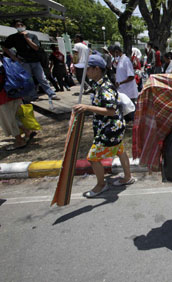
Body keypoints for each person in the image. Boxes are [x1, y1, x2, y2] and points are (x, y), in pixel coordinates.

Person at [72, 54, 135, 198]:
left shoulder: (104, 87)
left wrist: (87, 108)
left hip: (109, 128)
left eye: (88, 69)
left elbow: (111, 111)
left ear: (96, 69)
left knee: (93, 158)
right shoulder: (100, 84)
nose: (86, 72)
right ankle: (128, 177)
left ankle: (101, 185)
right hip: (114, 126)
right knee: (120, 150)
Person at [1, 19, 59, 101]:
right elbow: (4, 46)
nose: (20, 27)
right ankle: (33, 96)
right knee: (28, 79)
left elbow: (36, 47)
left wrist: (27, 39)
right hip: (24, 61)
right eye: (17, 25)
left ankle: (51, 94)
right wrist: (13, 57)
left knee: (42, 78)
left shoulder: (32, 36)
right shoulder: (13, 37)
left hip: (35, 60)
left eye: (21, 25)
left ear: (24, 26)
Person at [0, 64, 36, 151]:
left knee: (9, 120)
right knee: (16, 117)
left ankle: (19, 141)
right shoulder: (3, 60)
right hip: (14, 91)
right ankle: (27, 131)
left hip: (3, 96)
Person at [112, 45, 138, 123]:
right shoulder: (120, 60)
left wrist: (120, 83)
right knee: (126, 110)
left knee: (131, 110)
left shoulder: (126, 61)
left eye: (113, 54)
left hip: (128, 90)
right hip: (123, 90)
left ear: (117, 52)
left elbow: (131, 76)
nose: (112, 56)